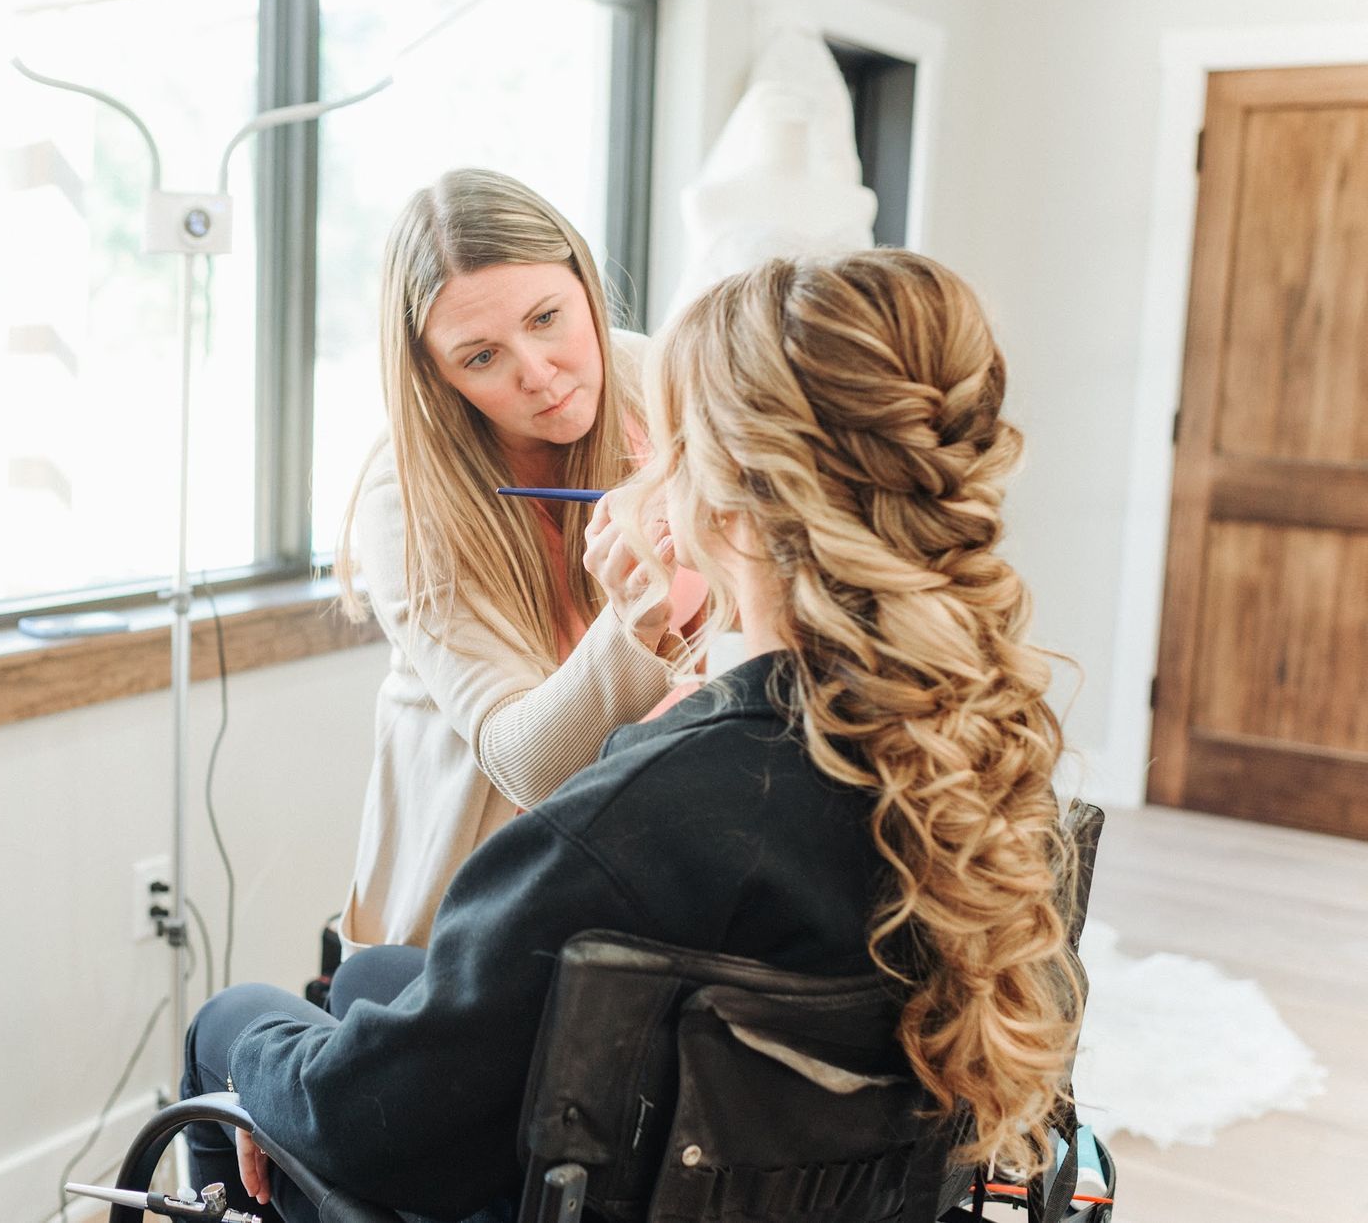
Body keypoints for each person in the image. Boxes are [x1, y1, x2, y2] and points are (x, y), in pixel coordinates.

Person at [182, 250, 1081, 1222]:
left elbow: (357, 1127)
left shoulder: (636, 825)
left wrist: (251, 1048)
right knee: (368, 977)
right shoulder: (985, 751)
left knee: (234, 1024)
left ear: (724, 501)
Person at [334, 168, 704, 952]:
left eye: (547, 317)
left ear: (584, 281)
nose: (538, 374)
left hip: (639, 866)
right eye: (480, 358)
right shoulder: (405, 498)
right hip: (474, 905)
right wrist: (635, 620)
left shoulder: (656, 386)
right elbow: (522, 762)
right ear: (434, 373)